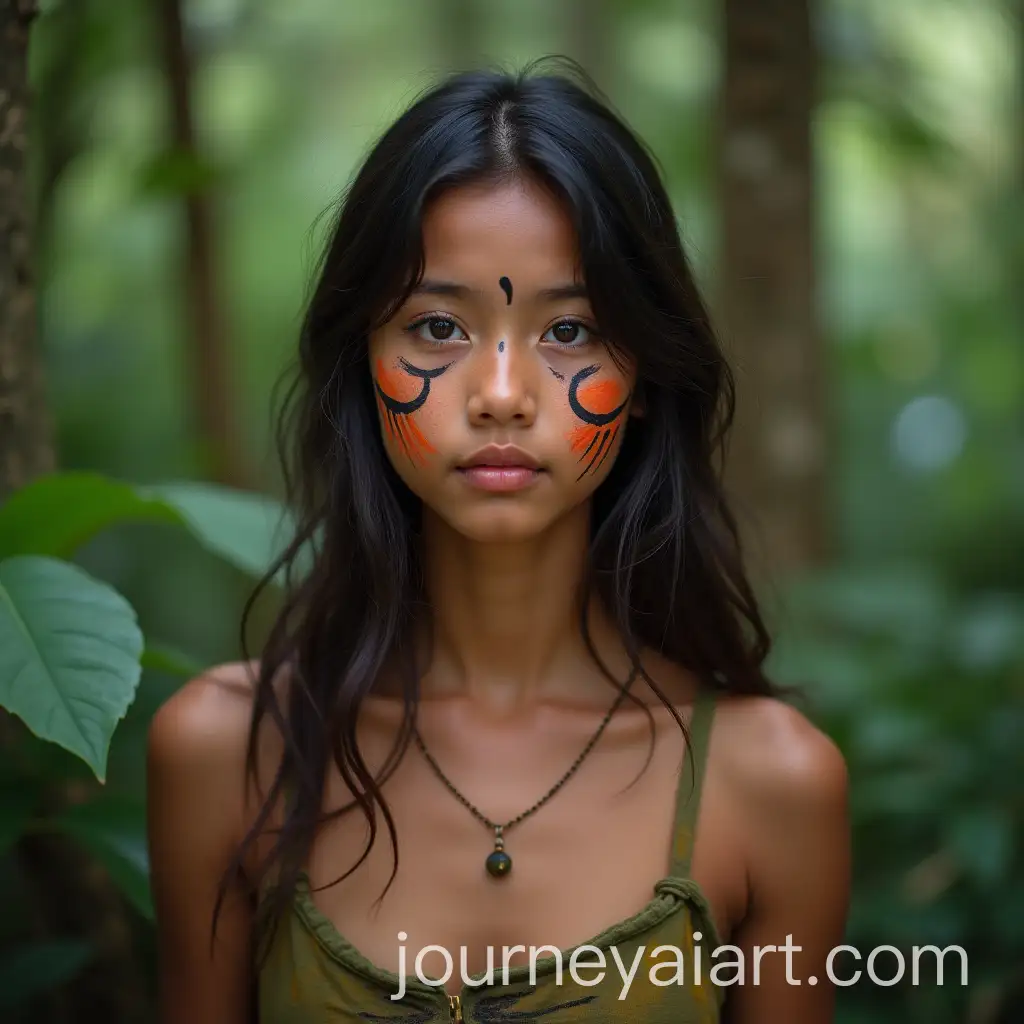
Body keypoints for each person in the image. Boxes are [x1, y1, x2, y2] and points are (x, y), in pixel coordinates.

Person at [146, 59, 850, 1024]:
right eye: (437, 325)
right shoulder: (227, 754)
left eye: (571, 331)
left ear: (644, 374)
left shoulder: (773, 783)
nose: (504, 392)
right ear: (363, 359)